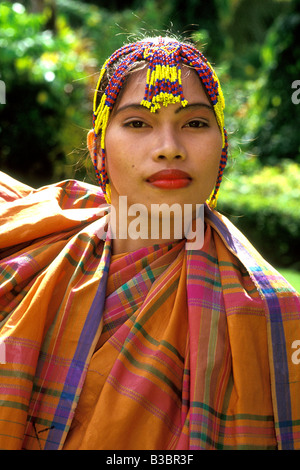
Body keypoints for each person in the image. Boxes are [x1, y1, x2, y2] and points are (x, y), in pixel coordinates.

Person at [0, 36, 300, 451]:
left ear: (223, 146)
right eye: (138, 123)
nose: (169, 149)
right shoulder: (31, 237)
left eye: (194, 123)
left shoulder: (268, 315)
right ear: (98, 148)